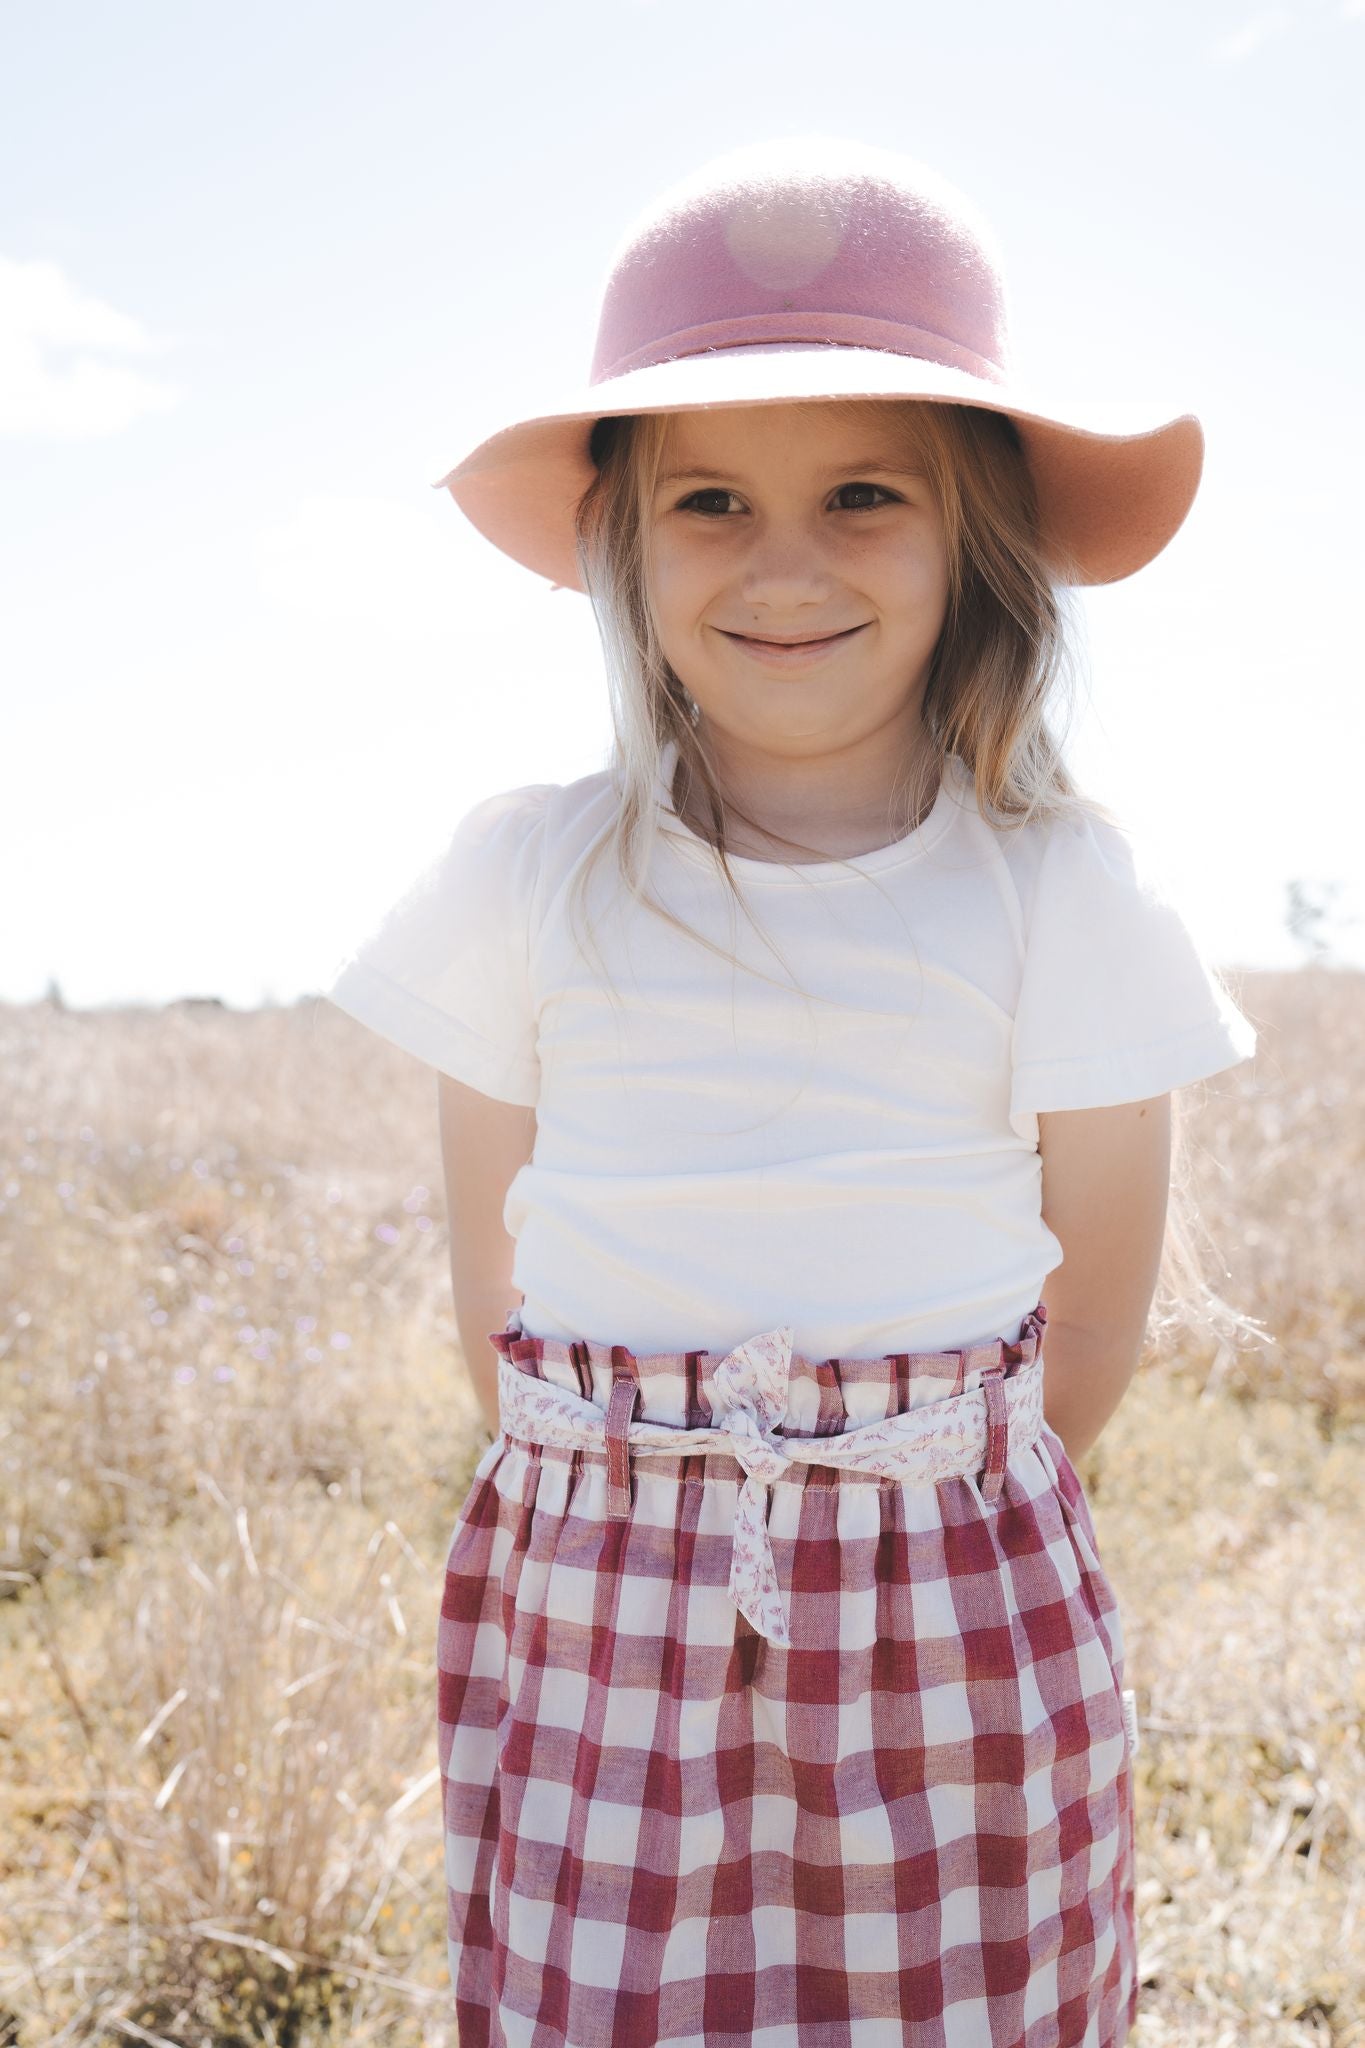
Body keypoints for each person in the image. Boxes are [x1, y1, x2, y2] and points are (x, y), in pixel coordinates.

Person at [322, 136, 1257, 2048]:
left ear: (973, 534)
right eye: (711, 503)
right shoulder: (529, 874)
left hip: (945, 1598)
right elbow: (484, 1305)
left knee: (956, 1999)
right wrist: (657, 1502)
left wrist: (876, 1510)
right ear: (622, 548)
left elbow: (1086, 1342)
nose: (784, 563)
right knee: (607, 1998)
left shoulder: (1055, 889)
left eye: (860, 495)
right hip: (599, 1586)